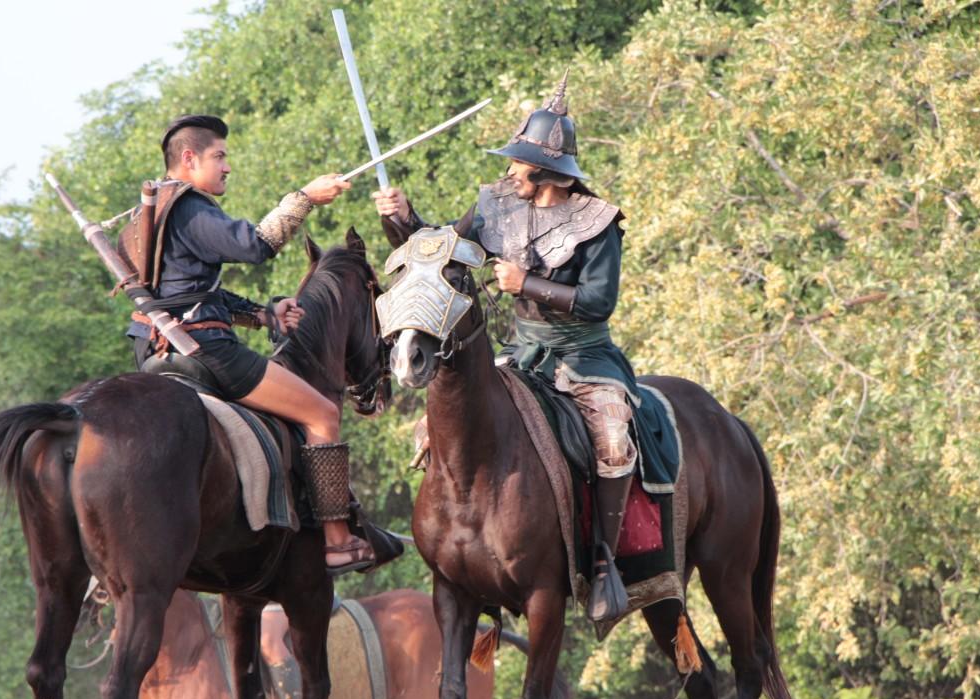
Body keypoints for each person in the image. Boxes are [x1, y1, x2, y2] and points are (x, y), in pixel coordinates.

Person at [373, 72, 641, 623]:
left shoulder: (599, 223)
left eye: (519, 162)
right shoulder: (496, 202)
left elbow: (599, 301)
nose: (510, 170)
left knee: (614, 443)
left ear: (546, 173)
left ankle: (603, 563)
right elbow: (441, 252)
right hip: (520, 355)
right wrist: (401, 220)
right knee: (436, 428)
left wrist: (529, 285)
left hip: (584, 358)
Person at [127, 114, 375, 575]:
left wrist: (263, 314)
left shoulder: (151, 213)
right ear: (189, 158)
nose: (226, 167)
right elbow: (256, 245)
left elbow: (189, 292)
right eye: (219, 157)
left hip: (151, 348)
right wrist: (304, 200)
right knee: (322, 412)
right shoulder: (189, 206)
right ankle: (339, 540)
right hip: (204, 350)